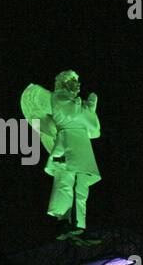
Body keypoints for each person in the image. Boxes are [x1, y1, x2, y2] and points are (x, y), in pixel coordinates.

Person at [21, 70, 101, 239]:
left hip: (82, 146)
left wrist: (88, 111)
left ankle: (78, 224)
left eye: (78, 80)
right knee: (66, 182)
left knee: (81, 187)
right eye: (73, 80)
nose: (77, 84)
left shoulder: (77, 103)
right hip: (67, 143)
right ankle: (65, 221)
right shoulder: (58, 98)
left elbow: (94, 130)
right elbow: (74, 116)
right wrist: (88, 110)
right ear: (65, 82)